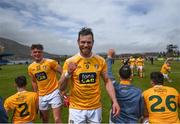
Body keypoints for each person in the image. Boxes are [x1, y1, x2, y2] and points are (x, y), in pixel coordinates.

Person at [59, 27, 120, 123]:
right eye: (83, 42)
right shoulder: (70, 61)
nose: (86, 45)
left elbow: (107, 81)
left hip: (95, 108)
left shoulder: (100, 61)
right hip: (76, 109)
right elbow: (61, 87)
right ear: (78, 42)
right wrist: (68, 73)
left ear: (93, 42)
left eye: (89, 42)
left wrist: (114, 100)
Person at [28, 44, 63, 123]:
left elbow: (63, 73)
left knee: (57, 119)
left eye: (39, 52)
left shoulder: (50, 62)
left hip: (54, 93)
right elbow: (33, 81)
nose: (37, 54)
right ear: (31, 53)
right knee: (44, 120)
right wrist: (36, 93)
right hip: (41, 95)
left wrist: (60, 87)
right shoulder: (30, 67)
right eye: (35, 52)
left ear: (42, 52)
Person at [107, 49, 144, 123]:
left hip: (116, 120)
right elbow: (140, 112)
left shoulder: (114, 87)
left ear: (119, 76)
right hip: (131, 121)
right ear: (131, 76)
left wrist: (109, 57)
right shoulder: (138, 91)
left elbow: (109, 73)